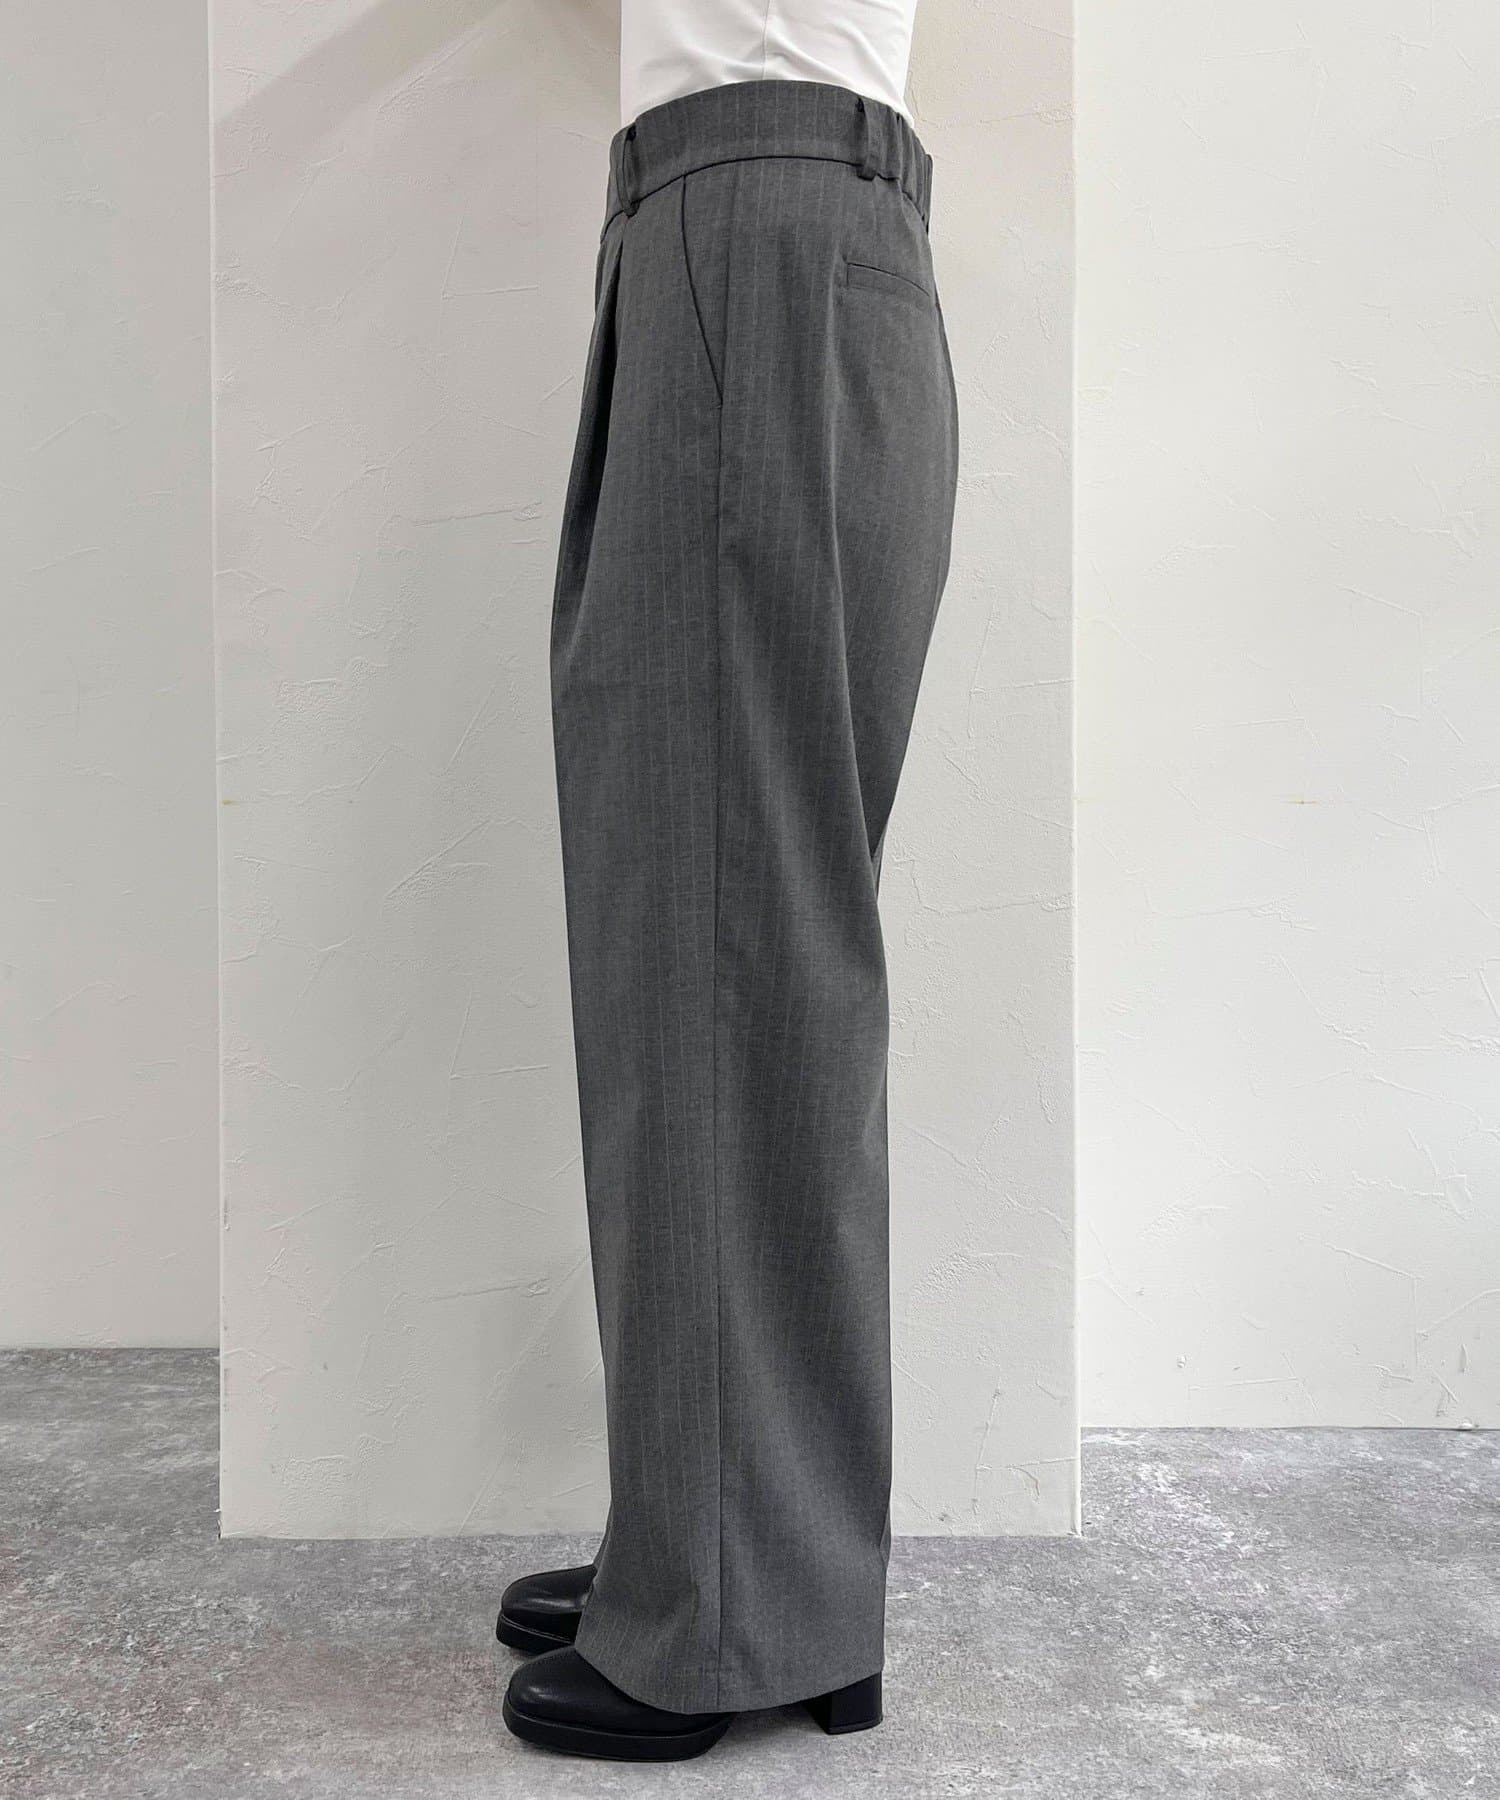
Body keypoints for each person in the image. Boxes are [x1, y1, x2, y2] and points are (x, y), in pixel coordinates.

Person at [498, 0, 958, 1763]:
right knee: (739, 942)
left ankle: (728, 1606)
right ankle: (750, 1556)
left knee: (707, 948)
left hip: (746, 230)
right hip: (781, 234)